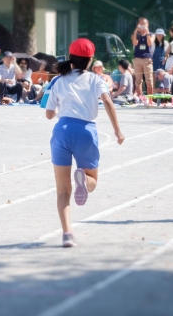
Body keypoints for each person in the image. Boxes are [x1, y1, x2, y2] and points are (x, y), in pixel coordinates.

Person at [45, 38, 124, 248]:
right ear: (89, 61)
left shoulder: (58, 81)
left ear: (70, 58)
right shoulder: (96, 80)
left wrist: (57, 111)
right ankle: (84, 181)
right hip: (86, 131)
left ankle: (67, 233)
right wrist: (117, 130)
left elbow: (48, 114)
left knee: (62, 191)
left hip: (62, 131)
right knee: (93, 180)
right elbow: (107, 101)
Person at [131, 17, 154, 96]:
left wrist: (147, 32)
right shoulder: (136, 34)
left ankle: (150, 99)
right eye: (140, 24)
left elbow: (150, 43)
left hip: (147, 59)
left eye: (144, 24)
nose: (142, 26)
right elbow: (134, 43)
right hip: (137, 58)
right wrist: (135, 31)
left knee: (149, 80)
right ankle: (140, 98)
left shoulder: (151, 34)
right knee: (138, 80)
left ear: (147, 25)